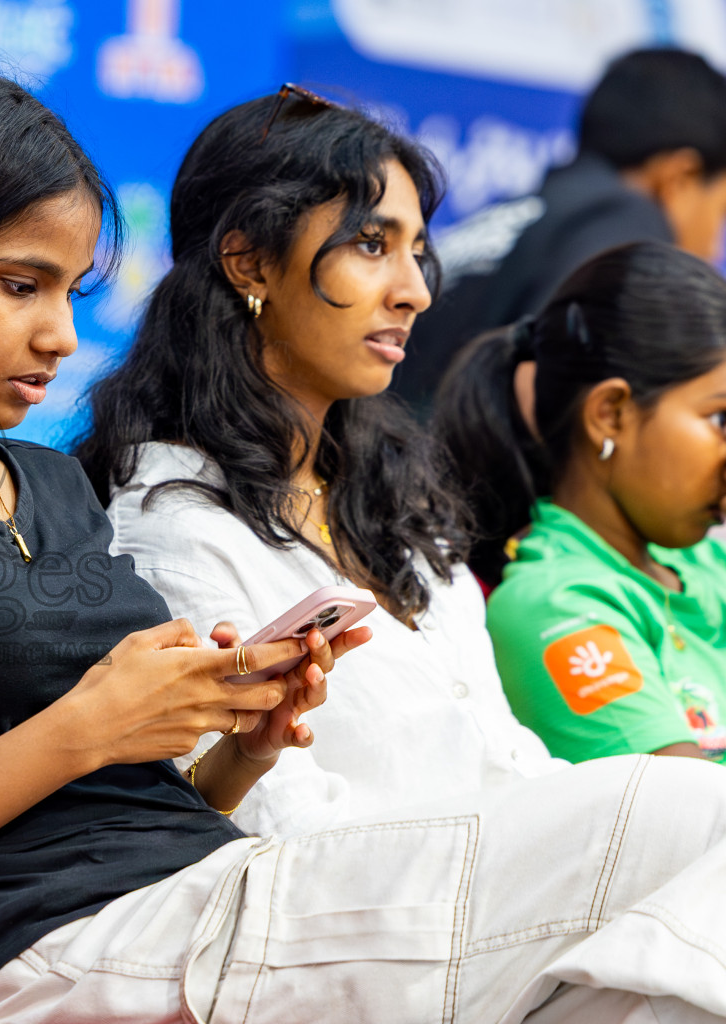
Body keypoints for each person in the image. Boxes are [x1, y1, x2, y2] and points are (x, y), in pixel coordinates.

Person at [0, 59, 726, 1024]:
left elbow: (125, 808)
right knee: (683, 814)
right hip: (70, 956)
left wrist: (242, 743)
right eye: (20, 285)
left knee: (640, 993)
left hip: (206, 901)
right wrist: (84, 728)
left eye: (73, 291)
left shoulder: (48, 484)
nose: (59, 334)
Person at [77, 86, 561, 839]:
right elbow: (279, 833)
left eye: (418, 252)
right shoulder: (172, 526)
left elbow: (511, 763)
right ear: (249, 263)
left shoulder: (399, 503)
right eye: (371, 244)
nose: (414, 292)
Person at [438, 242, 726, 764]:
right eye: (720, 420)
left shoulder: (706, 559)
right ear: (610, 413)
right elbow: (692, 806)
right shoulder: (556, 604)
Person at [392, 48, 726, 417]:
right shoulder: (624, 220)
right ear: (679, 178)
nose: (715, 250)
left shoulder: (526, 213)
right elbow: (551, 392)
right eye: (721, 212)